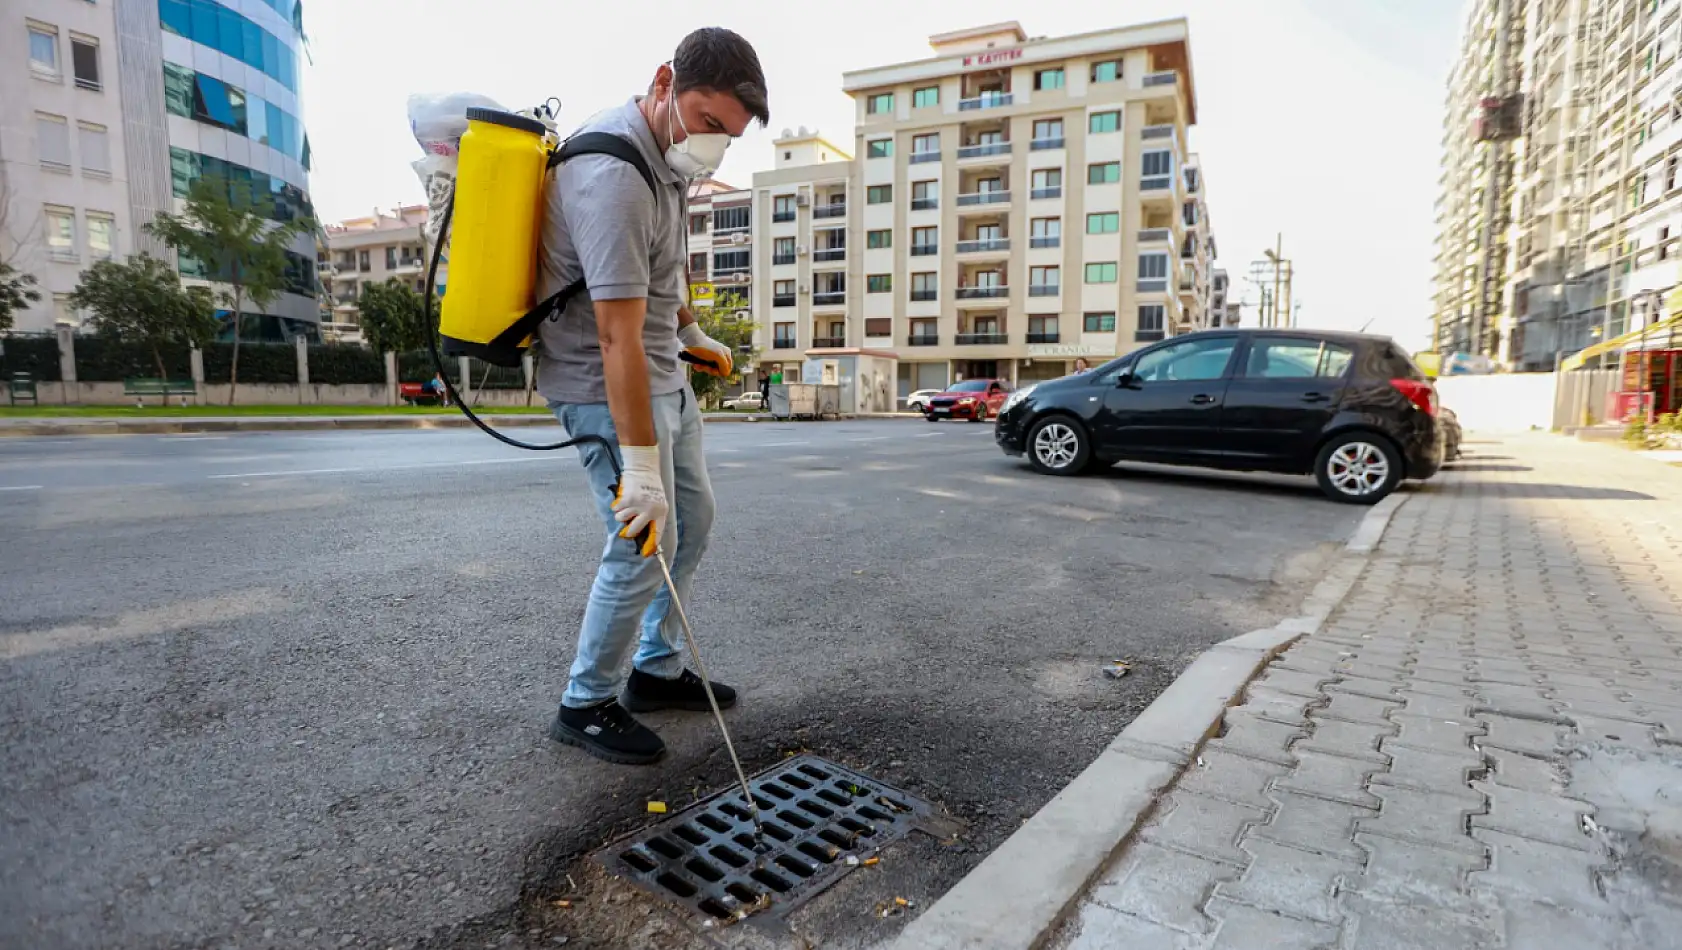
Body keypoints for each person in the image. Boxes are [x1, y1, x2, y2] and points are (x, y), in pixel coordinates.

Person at [536, 28, 769, 765]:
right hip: (603, 383)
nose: (712, 148)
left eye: (728, 137)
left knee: (693, 519)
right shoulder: (612, 174)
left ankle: (656, 670)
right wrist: (639, 470)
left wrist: (694, 330)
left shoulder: (666, 156)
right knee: (643, 543)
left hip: (662, 370)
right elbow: (615, 340)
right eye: (709, 123)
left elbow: (668, 265)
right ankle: (586, 701)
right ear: (665, 81)